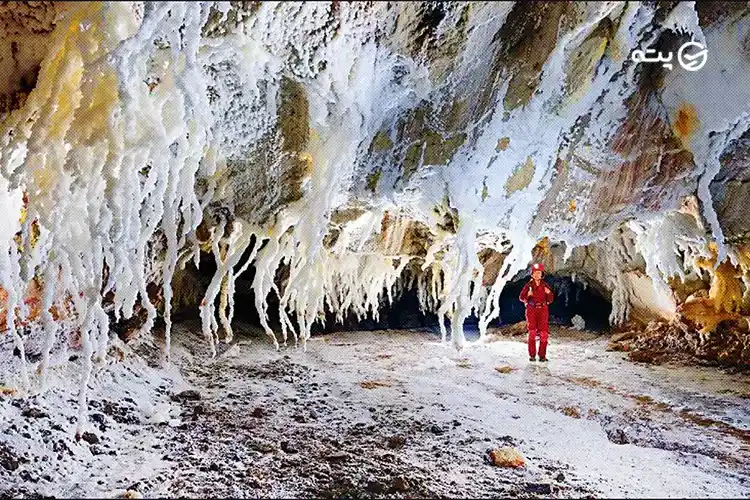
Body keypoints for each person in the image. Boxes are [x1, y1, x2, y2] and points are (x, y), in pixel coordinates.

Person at [519, 263, 554, 362]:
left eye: (539, 273)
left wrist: (549, 293)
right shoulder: (528, 285)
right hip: (531, 309)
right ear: (532, 274)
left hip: (543, 310)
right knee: (532, 332)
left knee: (543, 334)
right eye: (535, 273)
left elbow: (550, 300)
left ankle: (542, 356)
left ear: (541, 274)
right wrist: (528, 295)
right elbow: (521, 298)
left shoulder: (545, 285)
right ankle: (532, 355)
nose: (537, 275)